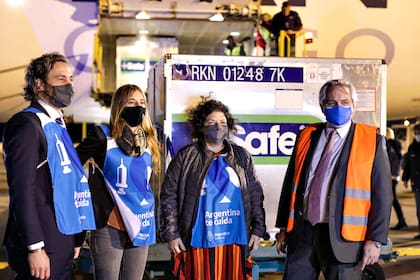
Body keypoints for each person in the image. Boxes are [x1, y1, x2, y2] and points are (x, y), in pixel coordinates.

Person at [275, 79, 392, 279]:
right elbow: (291, 184)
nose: (339, 107)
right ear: (322, 107)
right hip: (303, 234)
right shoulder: (307, 136)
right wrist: (284, 226)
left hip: (344, 240)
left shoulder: (372, 141)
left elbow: (383, 195)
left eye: (345, 102)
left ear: (353, 106)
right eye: (331, 103)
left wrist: (375, 240)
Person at [2, 52, 96, 280]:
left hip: (62, 236)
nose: (69, 85)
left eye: (71, 79)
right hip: (42, 242)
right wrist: (35, 247)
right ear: (39, 83)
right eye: (61, 78)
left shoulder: (58, 124)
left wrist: (75, 237)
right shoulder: (26, 125)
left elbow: (70, 182)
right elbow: (23, 192)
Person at [159, 98, 266, 280]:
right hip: (197, 241)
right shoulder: (186, 157)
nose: (217, 127)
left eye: (222, 123)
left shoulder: (241, 156)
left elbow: (255, 195)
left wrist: (258, 229)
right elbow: (168, 196)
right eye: (211, 123)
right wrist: (172, 234)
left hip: (234, 240)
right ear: (201, 126)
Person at [75, 84, 161, 279]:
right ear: (119, 106)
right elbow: (72, 168)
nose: (138, 107)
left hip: (141, 222)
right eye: (131, 102)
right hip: (109, 224)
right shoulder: (102, 136)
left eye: (141, 102)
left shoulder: (150, 139)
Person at [386, 127, 407, 230]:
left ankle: (401, 221)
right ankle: (401, 220)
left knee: (391, 199)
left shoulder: (390, 145)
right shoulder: (396, 145)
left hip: (390, 175)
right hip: (394, 175)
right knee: (392, 199)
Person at [402, 123, 420, 239]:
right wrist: (405, 178)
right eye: (417, 133)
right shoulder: (412, 147)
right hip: (417, 184)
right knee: (419, 211)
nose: (418, 135)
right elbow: (408, 165)